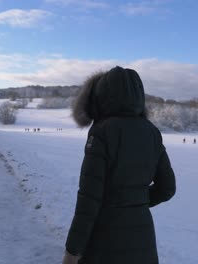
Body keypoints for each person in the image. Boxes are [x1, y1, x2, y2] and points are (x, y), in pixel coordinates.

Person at [63, 66, 176, 264]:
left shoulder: (102, 132)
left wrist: (72, 252)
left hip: (104, 243)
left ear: (102, 96)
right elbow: (167, 188)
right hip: (143, 240)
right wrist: (135, 201)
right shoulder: (152, 132)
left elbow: (88, 201)